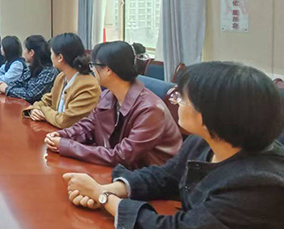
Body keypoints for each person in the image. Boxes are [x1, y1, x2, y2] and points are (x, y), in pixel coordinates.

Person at [62, 62, 284, 229]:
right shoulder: (204, 141)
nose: (176, 102)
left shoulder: (264, 184)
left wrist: (104, 198)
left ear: (213, 114)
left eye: (183, 98)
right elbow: (166, 176)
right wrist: (112, 188)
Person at [45, 41, 182, 168]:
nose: (92, 70)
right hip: (120, 170)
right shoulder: (108, 95)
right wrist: (62, 135)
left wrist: (67, 146)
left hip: (146, 177)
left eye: (94, 65)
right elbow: (88, 125)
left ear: (108, 70)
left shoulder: (150, 109)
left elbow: (122, 156)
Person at [24, 33, 100, 129]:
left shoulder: (88, 85)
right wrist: (34, 110)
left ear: (60, 58)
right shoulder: (61, 77)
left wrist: (43, 111)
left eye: (52, 53)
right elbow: (46, 101)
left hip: (74, 136)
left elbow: (65, 121)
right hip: (56, 132)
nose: (50, 57)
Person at [0, 35, 58, 104]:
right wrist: (2, 85)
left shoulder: (48, 72)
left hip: (36, 109)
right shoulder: (32, 68)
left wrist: (7, 89)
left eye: (25, 49)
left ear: (31, 53)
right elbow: (19, 82)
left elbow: (31, 95)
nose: (23, 52)